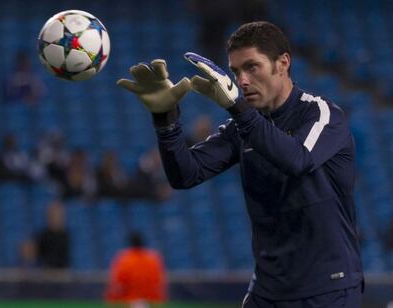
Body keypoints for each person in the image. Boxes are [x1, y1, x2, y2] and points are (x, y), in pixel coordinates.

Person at [117, 21, 363, 307]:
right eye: (235, 71)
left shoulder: (322, 113)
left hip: (327, 291)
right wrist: (165, 120)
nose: (242, 80)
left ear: (283, 63)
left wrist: (239, 108)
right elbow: (185, 175)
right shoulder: (243, 126)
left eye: (252, 67)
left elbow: (298, 159)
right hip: (267, 292)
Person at [104, 231, 167, 307]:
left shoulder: (125, 259)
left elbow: (118, 284)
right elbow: (160, 282)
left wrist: (111, 299)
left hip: (130, 300)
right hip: (152, 301)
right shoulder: (154, 258)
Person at [35, 200, 70, 268]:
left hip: (63, 274)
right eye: (53, 215)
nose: (55, 217)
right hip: (47, 273)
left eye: (58, 215)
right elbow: (38, 257)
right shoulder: (43, 236)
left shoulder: (66, 236)